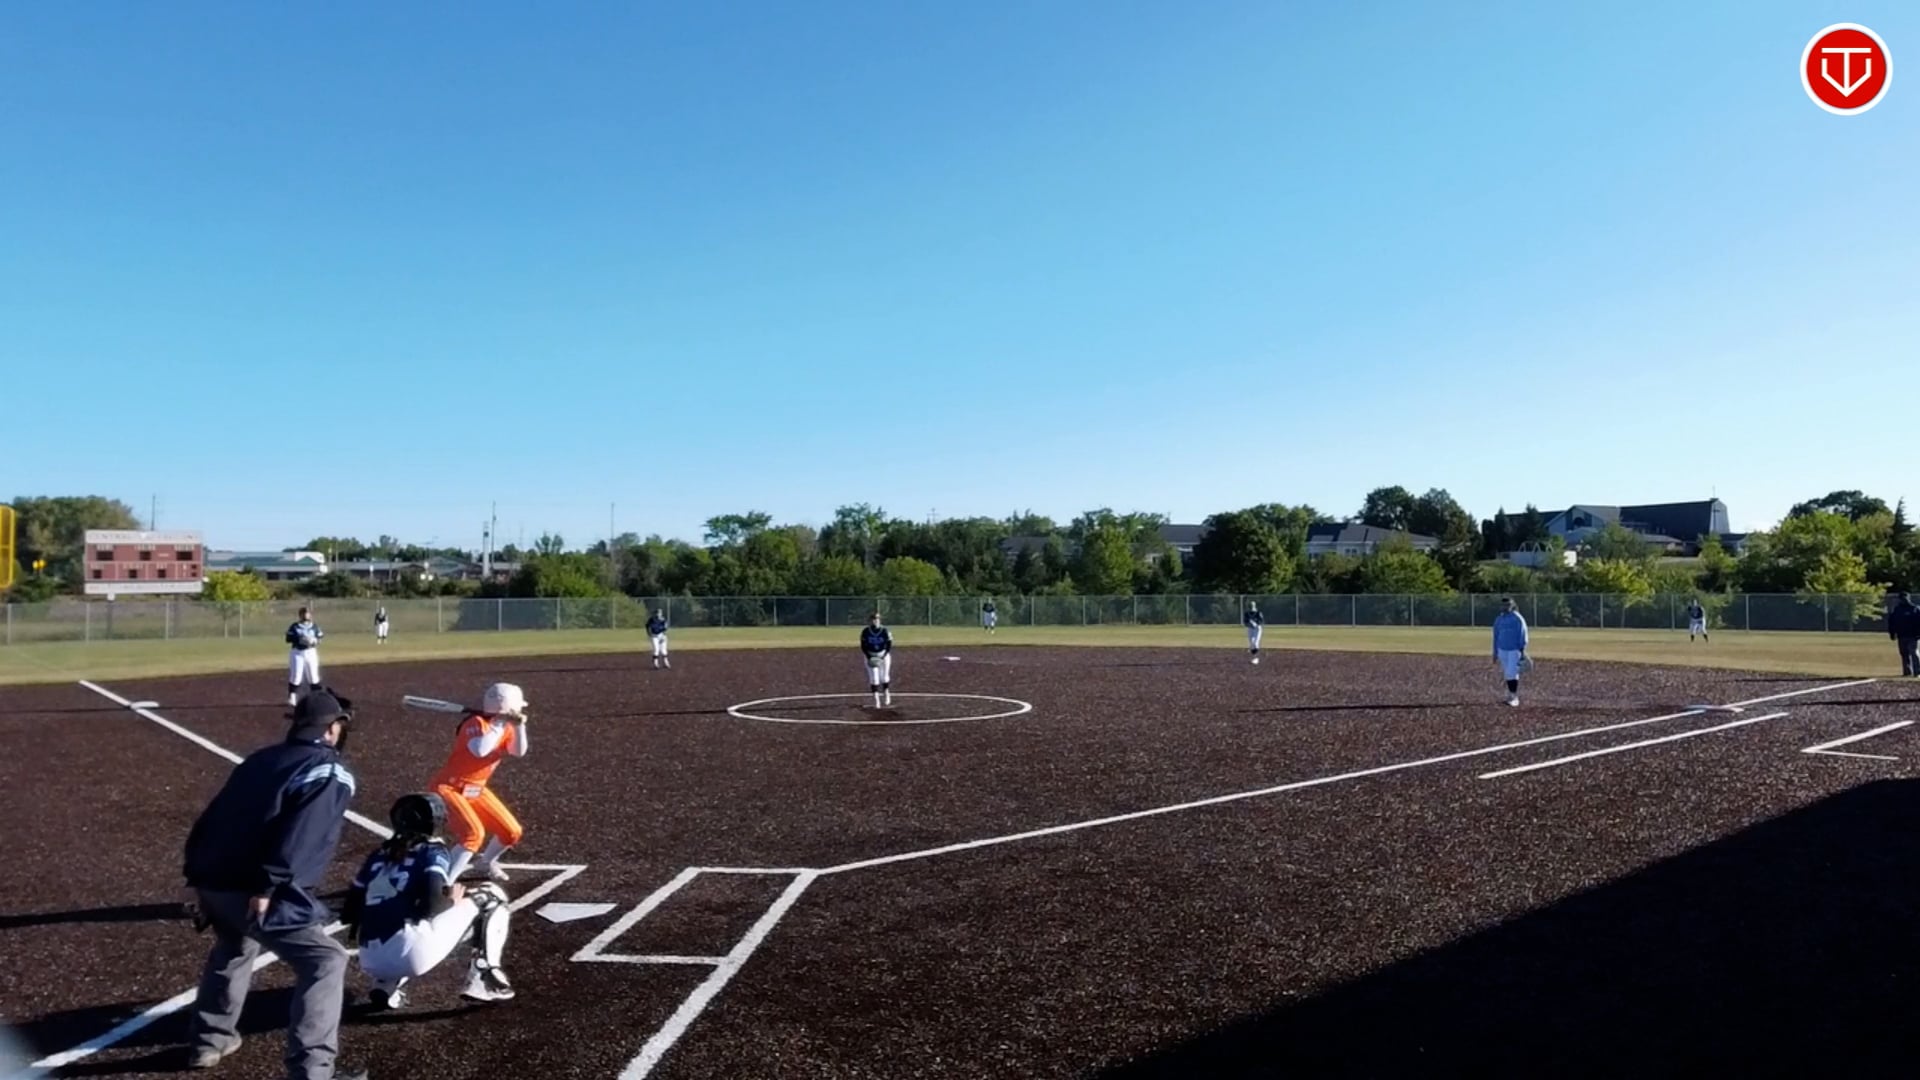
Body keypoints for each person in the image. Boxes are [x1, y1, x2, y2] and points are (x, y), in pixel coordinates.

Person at [181, 689, 367, 1080]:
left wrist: (195, 877)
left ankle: (209, 1041)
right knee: (325, 961)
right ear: (332, 729)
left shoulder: (259, 759)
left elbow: (212, 819)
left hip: (213, 882)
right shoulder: (329, 770)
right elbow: (303, 836)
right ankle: (312, 1072)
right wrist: (268, 887)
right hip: (256, 890)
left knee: (234, 946)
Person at [342, 793, 515, 1011]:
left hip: (369, 959)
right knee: (490, 896)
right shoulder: (432, 850)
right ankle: (485, 978)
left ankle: (386, 984)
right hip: (411, 954)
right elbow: (433, 905)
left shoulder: (378, 855)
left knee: (409, 919)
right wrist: (451, 901)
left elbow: (348, 913)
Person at [430, 683, 531, 883]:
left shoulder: (507, 727)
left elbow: (518, 751)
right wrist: (498, 723)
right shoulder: (475, 723)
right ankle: (443, 884)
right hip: (449, 788)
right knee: (473, 835)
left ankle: (485, 863)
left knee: (511, 832)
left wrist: (519, 727)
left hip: (476, 789)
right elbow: (480, 750)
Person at [1492, 597, 1530, 706]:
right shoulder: (1499, 619)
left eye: (1508, 605)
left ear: (1512, 605)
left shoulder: (1517, 618)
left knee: (1511, 672)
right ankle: (1511, 695)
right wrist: (1495, 652)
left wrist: (1522, 649)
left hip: (1514, 650)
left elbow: (1523, 633)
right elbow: (1495, 636)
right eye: (1504, 605)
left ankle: (1514, 697)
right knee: (1508, 673)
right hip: (1502, 650)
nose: (1505, 607)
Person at [285, 606, 324, 707]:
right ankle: (292, 696)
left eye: (307, 613)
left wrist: (314, 641)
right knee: (296, 676)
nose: (306, 615)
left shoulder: (314, 626)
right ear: (300, 615)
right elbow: (288, 638)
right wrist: (299, 639)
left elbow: (320, 637)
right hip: (298, 653)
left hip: (311, 652)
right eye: (304, 613)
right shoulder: (295, 626)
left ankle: (316, 697)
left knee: (313, 676)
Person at [861, 611, 894, 708]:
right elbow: (863, 645)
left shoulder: (885, 630)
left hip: (883, 654)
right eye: (873, 619)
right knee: (874, 679)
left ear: (880, 620)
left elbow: (889, 644)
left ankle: (886, 693)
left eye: (877, 619)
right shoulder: (866, 631)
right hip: (870, 655)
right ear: (870, 621)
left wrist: (883, 656)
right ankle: (877, 700)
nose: (875, 621)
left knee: (884, 677)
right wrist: (869, 657)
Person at [1888, 591, 1920, 677]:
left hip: (1913, 635)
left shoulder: (1915, 609)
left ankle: (1917, 672)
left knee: (1913, 652)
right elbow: (1892, 622)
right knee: (1904, 653)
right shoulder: (1897, 610)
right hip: (1901, 635)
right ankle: (1907, 672)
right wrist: (1892, 633)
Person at [1244, 600, 1264, 665]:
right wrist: (1249, 624)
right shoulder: (1247, 613)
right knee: (1252, 644)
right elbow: (1245, 622)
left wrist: (1256, 623)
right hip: (1250, 629)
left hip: (1257, 629)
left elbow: (1261, 621)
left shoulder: (1258, 612)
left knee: (1255, 643)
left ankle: (1256, 659)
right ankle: (1254, 658)